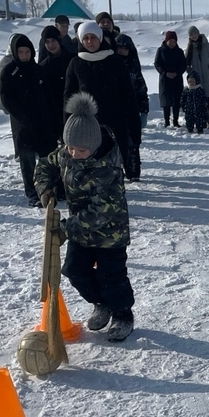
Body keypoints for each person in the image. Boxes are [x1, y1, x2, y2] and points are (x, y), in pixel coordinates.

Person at [34, 92, 135, 342]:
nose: (74, 153)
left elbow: (101, 211)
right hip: (81, 230)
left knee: (112, 276)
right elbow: (45, 165)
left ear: (95, 145)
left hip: (110, 232)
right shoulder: (67, 153)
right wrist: (45, 188)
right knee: (74, 270)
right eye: (70, 147)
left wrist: (66, 229)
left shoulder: (107, 168)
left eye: (81, 149)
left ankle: (122, 314)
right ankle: (101, 303)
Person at [63, 21, 140, 180]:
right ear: (81, 40)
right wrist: (67, 126)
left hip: (114, 123)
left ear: (100, 38)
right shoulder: (76, 63)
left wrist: (134, 125)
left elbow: (128, 95)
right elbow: (69, 96)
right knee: (90, 165)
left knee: (112, 165)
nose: (90, 42)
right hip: (88, 125)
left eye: (93, 37)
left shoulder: (114, 61)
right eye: (86, 38)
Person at [0, 33, 53, 205]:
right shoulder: (9, 71)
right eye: (20, 52)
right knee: (27, 161)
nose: (24, 56)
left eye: (27, 52)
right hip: (22, 124)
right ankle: (32, 193)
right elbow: (6, 98)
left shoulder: (38, 70)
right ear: (15, 52)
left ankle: (48, 190)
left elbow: (48, 95)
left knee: (47, 159)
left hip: (42, 122)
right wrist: (22, 116)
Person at [114, 31, 148, 181]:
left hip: (132, 109)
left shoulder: (134, 66)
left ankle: (133, 171)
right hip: (115, 110)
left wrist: (144, 110)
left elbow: (141, 88)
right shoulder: (111, 65)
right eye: (119, 48)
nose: (122, 51)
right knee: (116, 143)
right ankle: (116, 172)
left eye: (125, 48)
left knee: (133, 142)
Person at [38, 25, 75, 151]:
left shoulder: (72, 60)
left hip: (73, 110)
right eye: (47, 42)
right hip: (54, 114)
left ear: (59, 40)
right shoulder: (43, 66)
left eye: (53, 40)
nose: (50, 44)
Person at [186, 26, 209, 126]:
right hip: (197, 79)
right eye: (191, 35)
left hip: (208, 77)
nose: (193, 36)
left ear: (198, 33)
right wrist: (190, 73)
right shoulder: (190, 48)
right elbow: (186, 62)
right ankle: (201, 120)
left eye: (194, 33)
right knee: (199, 101)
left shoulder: (206, 46)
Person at [155, 31, 186, 127]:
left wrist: (177, 73)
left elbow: (183, 65)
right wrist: (165, 73)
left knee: (176, 101)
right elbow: (157, 64)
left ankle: (175, 121)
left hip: (176, 79)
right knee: (166, 101)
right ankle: (166, 121)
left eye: (174, 41)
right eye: (170, 41)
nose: (172, 43)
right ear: (166, 41)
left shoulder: (179, 51)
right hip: (165, 79)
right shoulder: (161, 50)